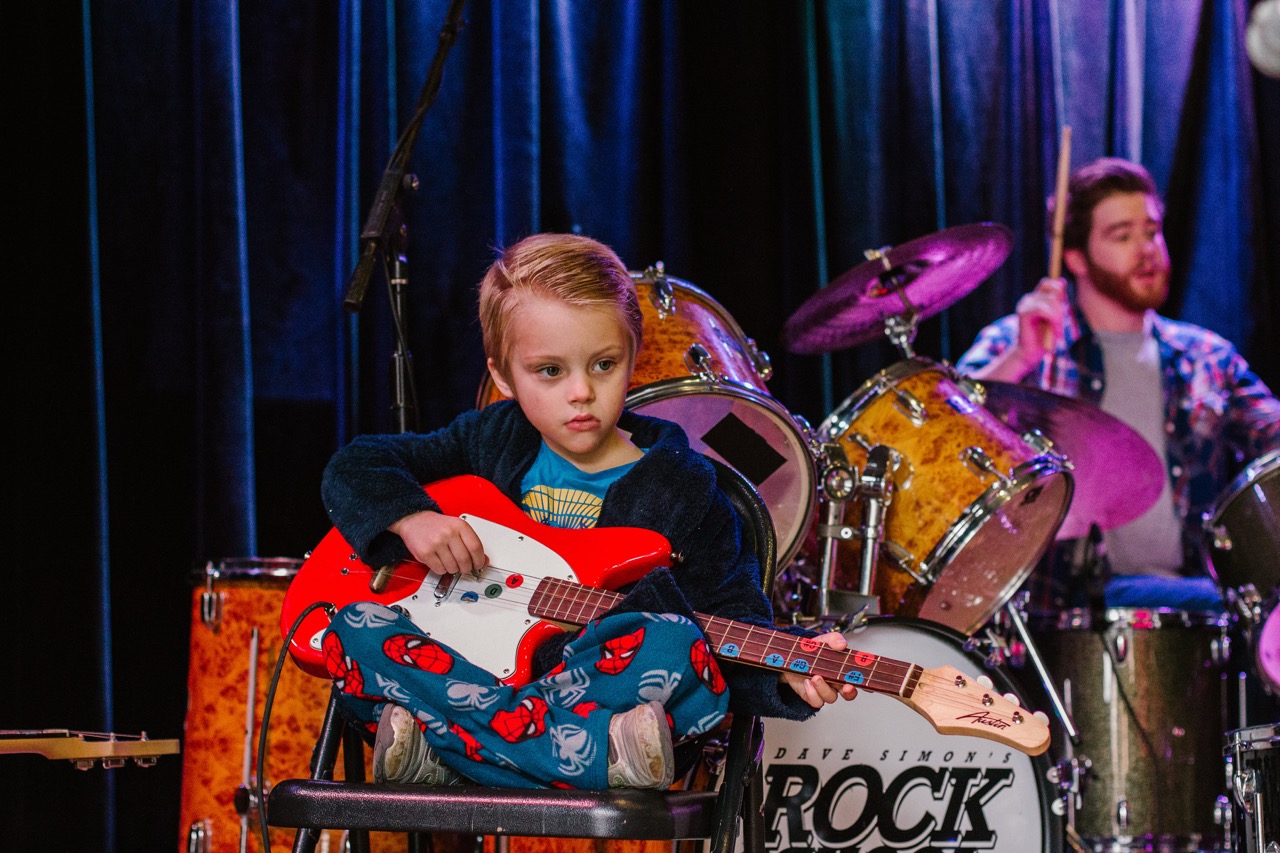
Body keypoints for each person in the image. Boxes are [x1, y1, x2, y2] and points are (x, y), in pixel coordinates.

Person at [319, 232, 857, 792]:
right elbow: (357, 464)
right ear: (502, 377)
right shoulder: (489, 440)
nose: (581, 391)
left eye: (603, 364)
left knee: (673, 642)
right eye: (549, 371)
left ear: (634, 357)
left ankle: (451, 750)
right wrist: (412, 519)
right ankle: (590, 757)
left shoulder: (682, 486)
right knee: (352, 628)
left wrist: (786, 672)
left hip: (586, 685)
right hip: (473, 669)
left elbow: (730, 621)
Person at [957, 157, 1280, 612]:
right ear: (1075, 258)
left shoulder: (1208, 356)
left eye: (1151, 231)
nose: (1147, 249)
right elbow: (947, 424)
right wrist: (1020, 359)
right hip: (1067, 608)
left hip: (1197, 607)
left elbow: (1273, 434)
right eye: (1122, 236)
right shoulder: (1025, 338)